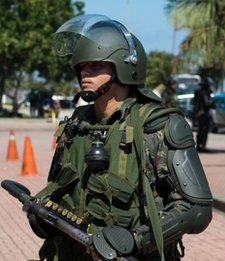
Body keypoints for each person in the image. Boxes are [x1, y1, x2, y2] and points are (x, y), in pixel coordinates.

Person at [29, 14, 213, 260]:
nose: (85, 73)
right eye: (81, 67)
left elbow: (196, 210)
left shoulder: (158, 126)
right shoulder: (77, 123)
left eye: (95, 65)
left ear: (123, 67)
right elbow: (61, 186)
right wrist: (46, 212)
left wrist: (135, 240)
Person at [193, 77, 214, 152]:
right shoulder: (203, 92)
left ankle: (201, 145)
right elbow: (207, 103)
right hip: (203, 113)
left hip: (202, 113)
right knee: (203, 130)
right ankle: (201, 146)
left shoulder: (201, 92)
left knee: (202, 130)